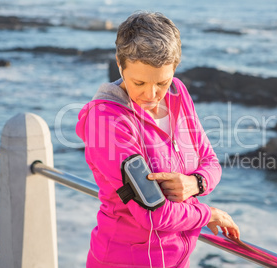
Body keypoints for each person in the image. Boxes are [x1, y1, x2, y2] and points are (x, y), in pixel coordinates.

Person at [76, 11, 240, 268]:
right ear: (120, 65)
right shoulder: (105, 122)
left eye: (162, 82)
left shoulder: (178, 93)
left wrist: (194, 183)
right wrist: (208, 214)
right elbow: (154, 214)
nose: (151, 95)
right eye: (138, 82)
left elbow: (210, 161)